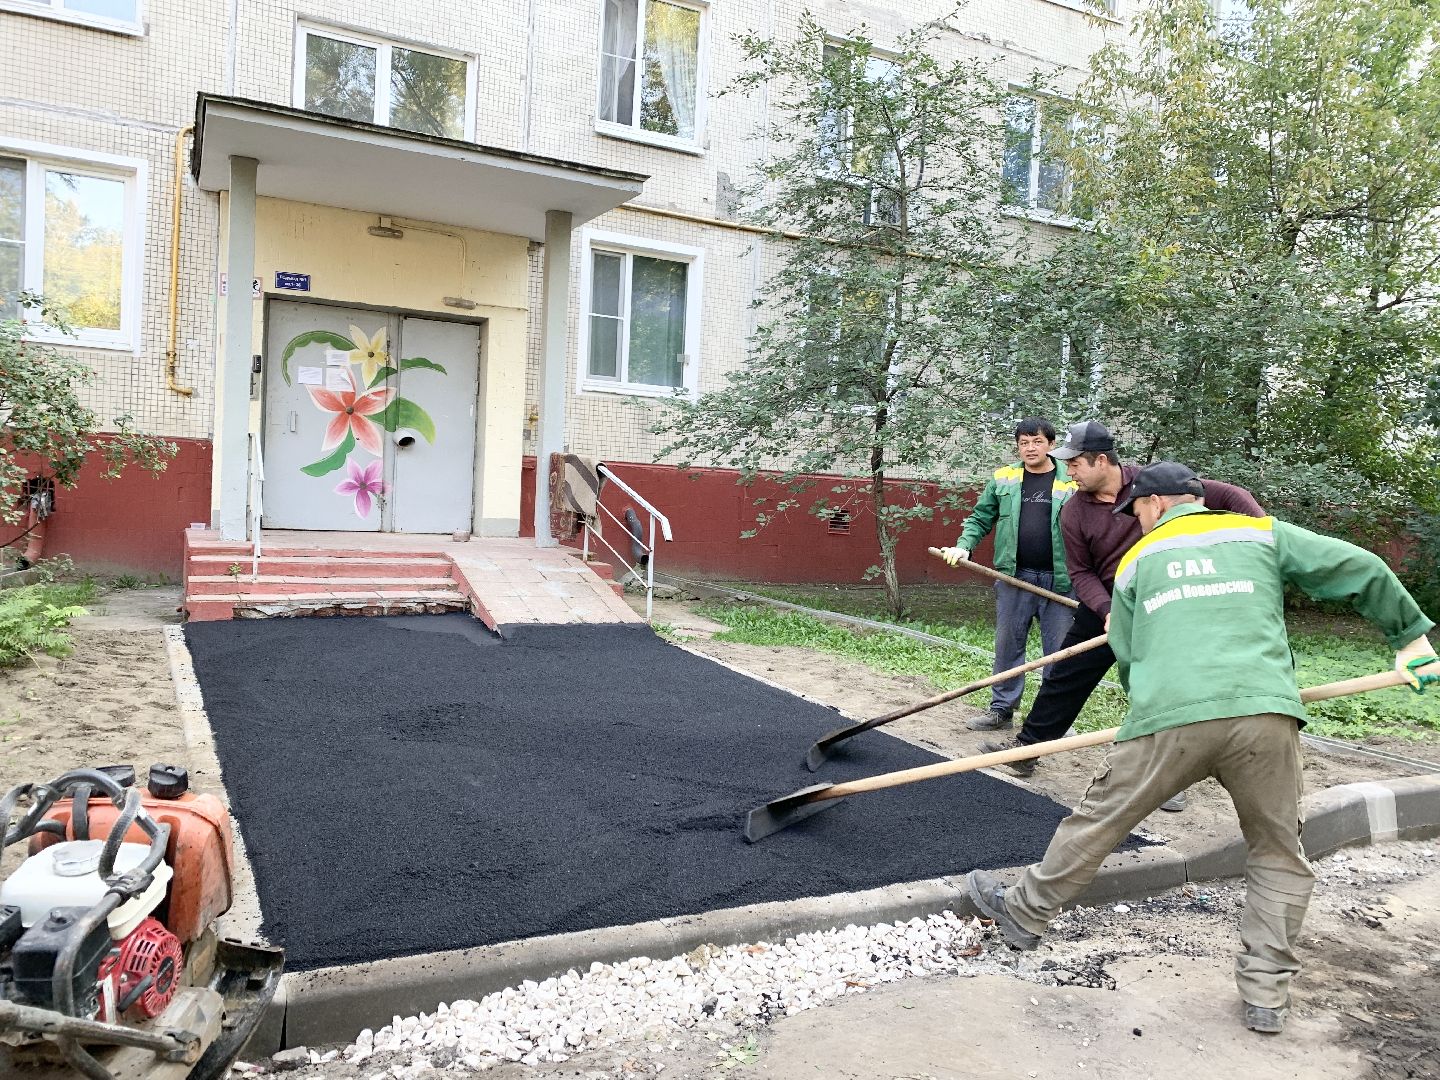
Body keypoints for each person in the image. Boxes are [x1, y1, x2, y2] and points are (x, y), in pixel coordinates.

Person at [966, 460, 1438, 1035]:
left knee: (1098, 822)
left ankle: (1022, 916)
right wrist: (1411, 639)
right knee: (1276, 849)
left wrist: (1155, 707)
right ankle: (1266, 993)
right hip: (1265, 715)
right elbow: (1360, 566)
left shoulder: (1139, 561)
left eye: (1134, 511)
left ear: (1158, 503)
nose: (1133, 522)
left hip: (1170, 718)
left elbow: (1128, 650)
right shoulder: (1258, 532)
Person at [980, 421, 1262, 813]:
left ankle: (1169, 778)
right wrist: (1108, 610)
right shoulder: (1075, 511)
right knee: (1066, 674)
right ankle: (1028, 750)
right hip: (1108, 605)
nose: (1070, 471)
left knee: (1160, 688)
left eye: (1075, 463)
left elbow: (1230, 494)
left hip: (1163, 606)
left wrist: (1263, 537)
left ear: (1100, 460)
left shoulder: (1153, 486)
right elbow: (1081, 573)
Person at [938, 418, 1078, 731]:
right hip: (1015, 577)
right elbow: (979, 518)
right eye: (1025, 442)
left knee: (1059, 653)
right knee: (1008, 646)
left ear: (1051, 445)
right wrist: (964, 547)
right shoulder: (1005, 478)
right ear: (1018, 446)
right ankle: (1001, 711)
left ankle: (1053, 719)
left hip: (1061, 581)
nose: (1031, 448)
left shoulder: (1072, 479)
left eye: (1038, 441)